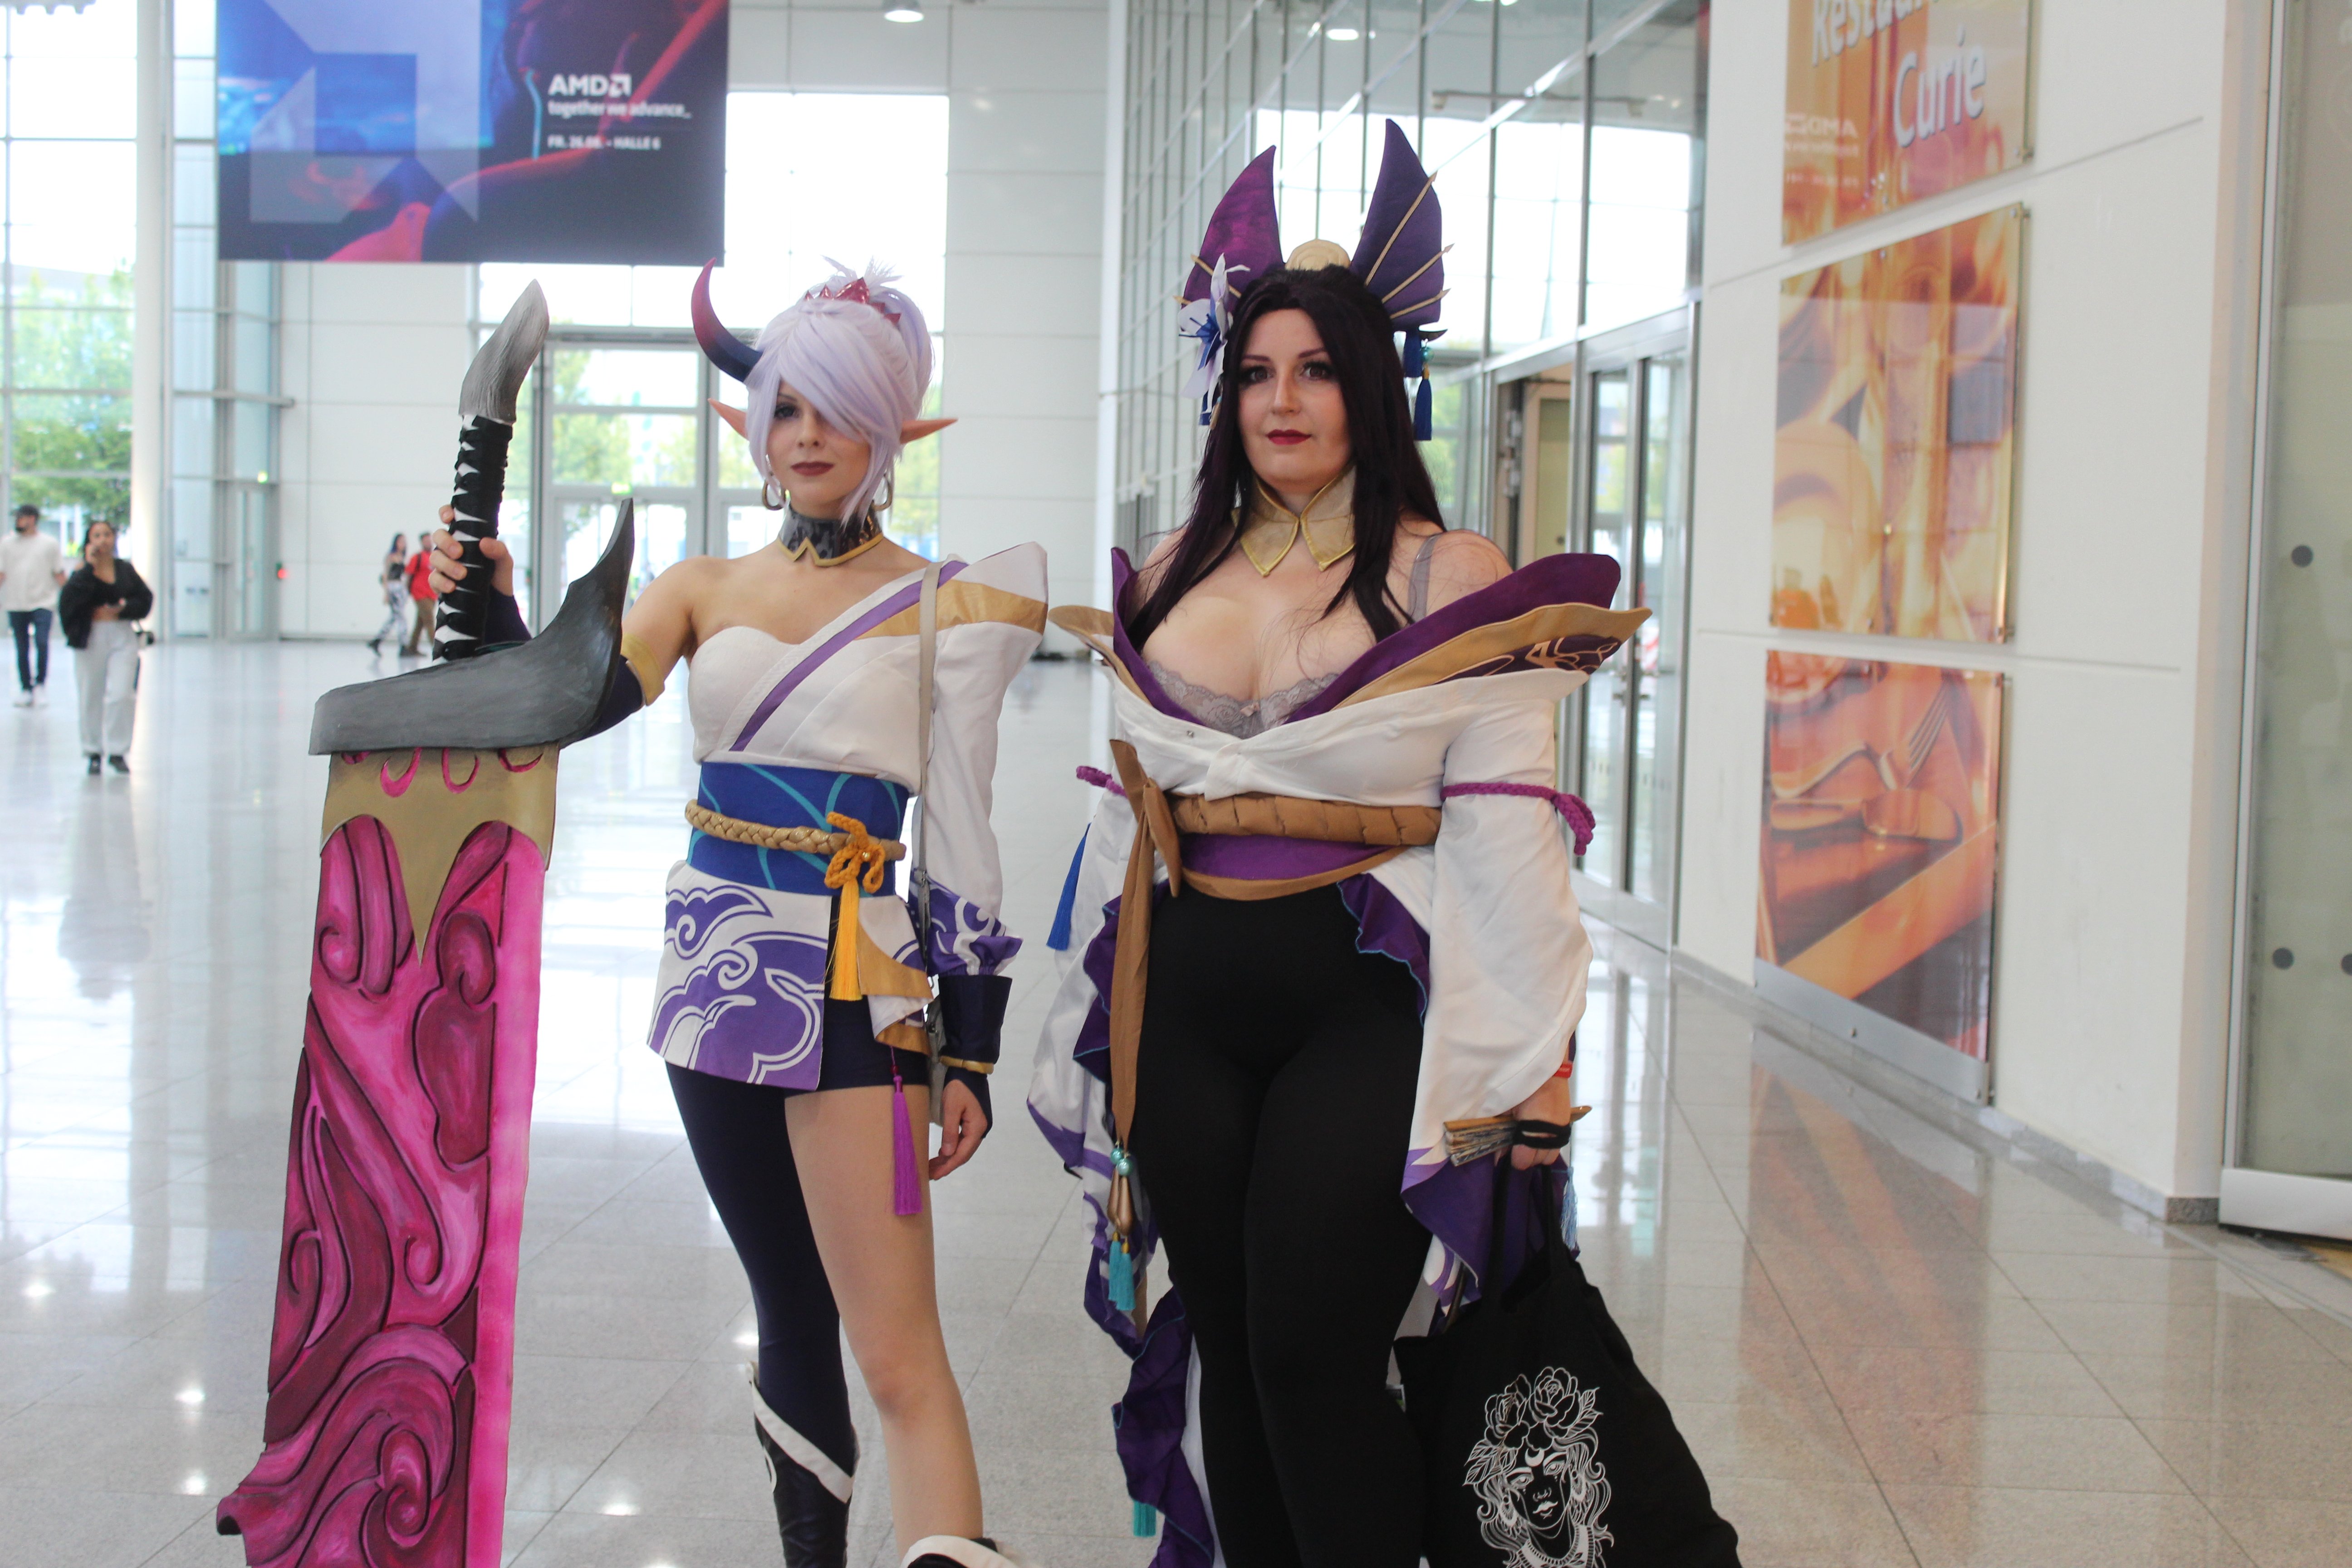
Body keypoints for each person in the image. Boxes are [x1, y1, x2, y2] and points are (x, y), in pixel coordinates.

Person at [1028, 127, 1657, 1566]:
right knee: (1239, 1357)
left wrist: (1533, 1074)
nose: (1282, 399)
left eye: (1315, 370)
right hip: (1188, 998)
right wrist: (1085, 1020)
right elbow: (1124, 814)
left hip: (1363, 1000)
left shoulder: (1451, 572)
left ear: (1373, 385)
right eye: (1257, 372)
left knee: (1316, 1357)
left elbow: (1510, 831)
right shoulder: (1173, 567)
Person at [430, 262, 1048, 1568]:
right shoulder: (698, 588)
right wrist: (487, 597)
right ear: (755, 428)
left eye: (839, 408)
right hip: (713, 976)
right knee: (786, 1307)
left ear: (891, 428)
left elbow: (963, 840)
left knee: (898, 1349)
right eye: (787, 409)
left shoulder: (948, 604)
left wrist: (973, 1049)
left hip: (858, 989)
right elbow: (556, 705)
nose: (809, 436)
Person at [58, 519, 152, 775]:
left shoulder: (125, 570)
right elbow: (69, 603)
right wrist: (89, 567)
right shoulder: (82, 573)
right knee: (91, 693)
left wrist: (123, 610)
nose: (103, 540)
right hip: (91, 636)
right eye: (97, 536)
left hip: (121, 635)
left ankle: (118, 750)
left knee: (122, 693)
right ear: (89, 541)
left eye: (107, 534)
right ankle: (93, 751)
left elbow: (144, 598)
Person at [3, 501, 65, 706]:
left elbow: (58, 573)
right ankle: (26, 688)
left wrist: (70, 597)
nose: (18, 521)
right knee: (21, 647)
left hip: (43, 601)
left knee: (42, 642)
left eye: (21, 517)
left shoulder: (49, 544)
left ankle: (40, 685)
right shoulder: (7, 544)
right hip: (16, 602)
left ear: (32, 519)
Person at [367, 533, 407, 654]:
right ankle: (403, 645)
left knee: (394, 617)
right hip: (393, 588)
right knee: (401, 617)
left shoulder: (401, 557)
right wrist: (386, 593)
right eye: (401, 542)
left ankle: (378, 640)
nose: (403, 544)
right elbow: (385, 575)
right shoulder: (391, 557)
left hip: (399, 588)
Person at [402, 537, 437, 656]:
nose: (428, 543)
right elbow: (409, 575)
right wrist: (407, 592)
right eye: (426, 541)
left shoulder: (434, 557)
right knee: (429, 621)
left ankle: (412, 647)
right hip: (420, 594)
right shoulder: (417, 557)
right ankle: (437, 648)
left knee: (420, 622)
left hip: (432, 594)